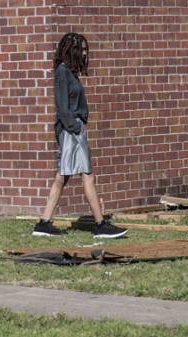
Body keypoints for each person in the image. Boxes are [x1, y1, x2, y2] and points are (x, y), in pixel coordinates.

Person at [32, 32, 127, 239]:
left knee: (62, 176)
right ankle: (100, 224)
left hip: (74, 130)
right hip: (71, 131)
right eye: (82, 50)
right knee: (87, 175)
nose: (85, 54)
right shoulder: (62, 73)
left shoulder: (69, 73)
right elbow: (62, 107)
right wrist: (75, 128)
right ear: (71, 50)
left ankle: (44, 222)